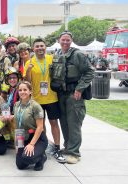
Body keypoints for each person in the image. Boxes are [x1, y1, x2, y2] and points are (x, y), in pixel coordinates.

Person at [50, 31, 94, 164]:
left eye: (67, 40)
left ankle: (74, 153)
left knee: (74, 123)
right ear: (59, 40)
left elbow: (89, 71)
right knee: (64, 123)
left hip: (73, 95)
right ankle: (68, 147)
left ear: (71, 41)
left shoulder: (77, 54)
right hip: (61, 94)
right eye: (63, 40)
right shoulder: (57, 55)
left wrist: (80, 89)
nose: (65, 42)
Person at [24, 38, 65, 163]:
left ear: (45, 47)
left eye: (42, 46)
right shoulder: (29, 62)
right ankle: (45, 146)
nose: (40, 48)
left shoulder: (52, 59)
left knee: (54, 123)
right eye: (37, 46)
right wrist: (29, 70)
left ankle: (57, 148)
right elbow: (27, 82)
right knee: (40, 126)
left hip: (51, 97)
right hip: (37, 100)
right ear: (33, 48)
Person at [13, 81, 48, 171]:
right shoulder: (17, 105)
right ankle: (33, 154)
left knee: (28, 158)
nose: (22, 92)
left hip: (37, 137)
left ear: (30, 91)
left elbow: (40, 127)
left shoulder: (36, 106)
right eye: (20, 90)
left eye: (25, 89)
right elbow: (18, 126)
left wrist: (31, 144)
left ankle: (41, 158)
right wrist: (18, 145)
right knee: (20, 165)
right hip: (24, 136)